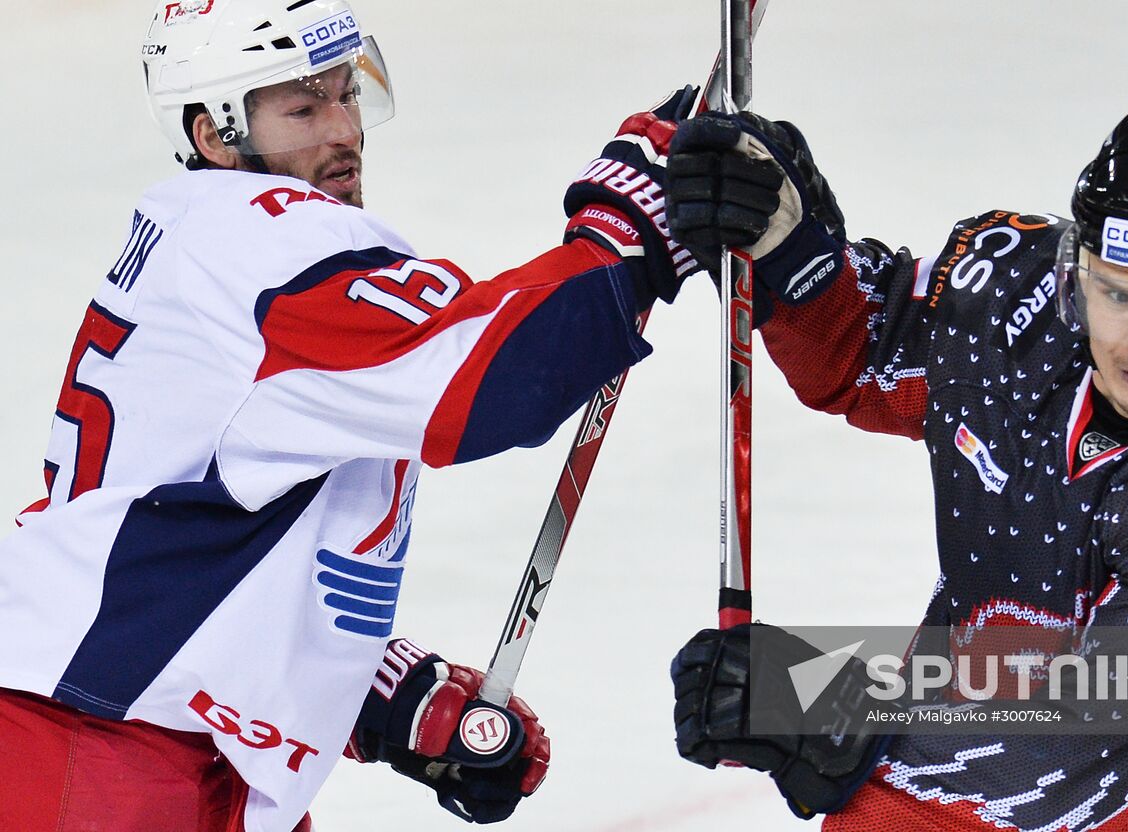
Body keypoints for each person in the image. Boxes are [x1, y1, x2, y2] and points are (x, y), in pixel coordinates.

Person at [0, 1, 701, 829]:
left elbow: (195, 510)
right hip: (95, 755)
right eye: (303, 107)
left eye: (346, 93)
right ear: (215, 134)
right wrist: (624, 233)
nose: (343, 130)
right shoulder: (263, 249)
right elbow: (485, 382)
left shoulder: (206, 236)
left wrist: (370, 689)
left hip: (141, 737)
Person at [664, 101, 1128, 830]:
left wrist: (827, 712)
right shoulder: (1011, 292)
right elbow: (869, 346)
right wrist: (788, 252)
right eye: (1119, 292)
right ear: (1077, 269)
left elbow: (1076, 748)